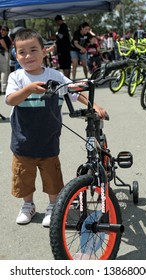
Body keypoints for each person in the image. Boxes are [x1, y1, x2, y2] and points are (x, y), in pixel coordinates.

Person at [5, 28, 107, 227]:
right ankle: (28, 205)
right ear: (16, 56)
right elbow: (10, 100)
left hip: (49, 139)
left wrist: (93, 104)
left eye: (33, 50)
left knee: (52, 177)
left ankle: (53, 206)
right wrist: (28, 90)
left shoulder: (56, 76)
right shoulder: (16, 78)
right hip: (22, 141)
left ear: (45, 51)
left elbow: (75, 92)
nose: (28, 56)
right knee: (24, 177)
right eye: (22, 52)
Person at [0, 25, 12, 94]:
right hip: (3, 55)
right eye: (1, 29)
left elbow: (8, 48)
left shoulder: (7, 38)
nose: (2, 31)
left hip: (3, 54)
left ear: (7, 31)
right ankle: (3, 89)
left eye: (4, 30)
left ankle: (4, 88)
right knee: (4, 71)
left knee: (5, 71)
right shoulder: (3, 38)